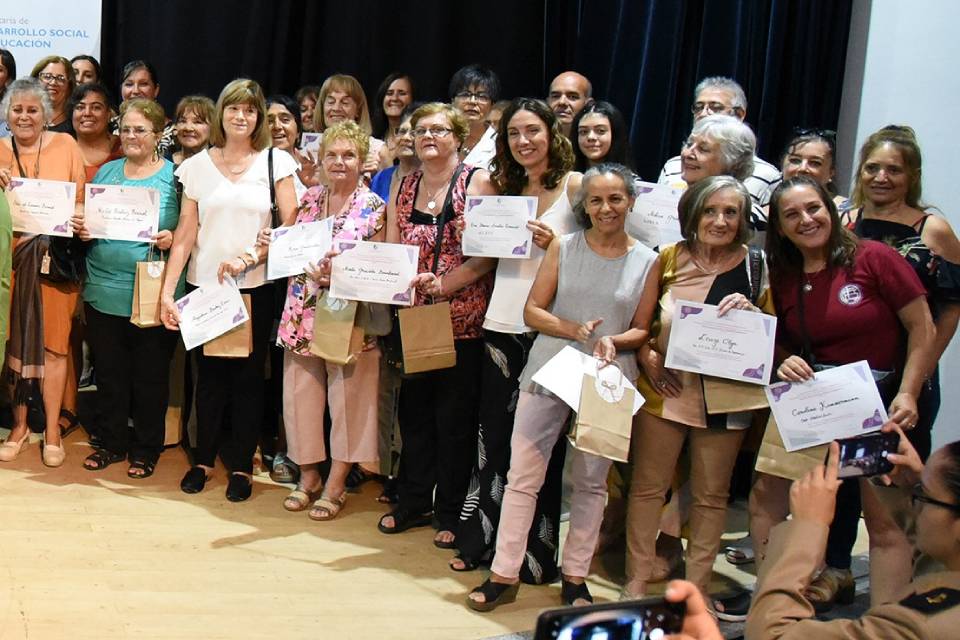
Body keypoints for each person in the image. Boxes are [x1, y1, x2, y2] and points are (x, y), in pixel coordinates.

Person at [467, 163, 658, 611]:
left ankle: (575, 577)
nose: (606, 207)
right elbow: (533, 311)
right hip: (550, 367)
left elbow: (642, 329)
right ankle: (504, 572)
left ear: (630, 201)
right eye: (596, 200)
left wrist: (613, 339)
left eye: (615, 199)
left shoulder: (648, 259)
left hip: (608, 378)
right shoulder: (564, 247)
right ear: (584, 205)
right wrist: (572, 329)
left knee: (592, 484)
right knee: (523, 477)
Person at [747, 175, 936, 610]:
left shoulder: (875, 258)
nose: (805, 220)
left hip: (870, 407)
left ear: (830, 209)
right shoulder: (780, 272)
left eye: (812, 208)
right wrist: (780, 358)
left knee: (884, 518)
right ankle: (775, 601)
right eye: (791, 214)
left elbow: (921, 326)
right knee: (766, 499)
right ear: (778, 226)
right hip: (807, 403)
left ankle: (888, 622)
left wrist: (908, 393)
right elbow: (769, 332)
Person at [805, 125, 960, 608]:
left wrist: (922, 370)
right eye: (873, 167)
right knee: (840, 479)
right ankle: (836, 571)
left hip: (905, 382)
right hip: (845, 379)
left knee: (890, 484)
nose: (881, 176)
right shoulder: (842, 221)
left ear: (911, 175)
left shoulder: (929, 229)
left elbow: (952, 304)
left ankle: (901, 589)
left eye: (893, 169)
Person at [623, 176, 774, 618]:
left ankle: (698, 589)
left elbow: (771, 337)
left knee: (712, 497)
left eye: (731, 212)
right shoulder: (668, 257)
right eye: (710, 210)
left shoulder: (757, 266)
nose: (720, 221)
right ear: (692, 214)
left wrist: (754, 313)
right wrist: (650, 358)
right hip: (665, 393)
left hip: (726, 400)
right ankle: (636, 577)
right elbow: (642, 325)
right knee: (648, 488)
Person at [452, 98, 582, 580]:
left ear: (551, 133)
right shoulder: (504, 190)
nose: (523, 141)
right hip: (501, 323)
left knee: (540, 446)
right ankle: (483, 539)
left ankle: (535, 553)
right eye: (513, 134)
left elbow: (601, 253)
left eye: (532, 131)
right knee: (494, 440)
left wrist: (561, 247)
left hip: (550, 330)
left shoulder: (577, 186)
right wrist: (475, 234)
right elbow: (484, 259)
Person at [159, 79, 298, 501]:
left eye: (250, 110)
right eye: (234, 109)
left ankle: (241, 464)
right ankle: (203, 459)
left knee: (249, 380)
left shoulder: (276, 162)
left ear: (259, 118)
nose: (242, 116)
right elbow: (185, 233)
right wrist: (168, 291)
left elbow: (290, 222)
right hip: (207, 288)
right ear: (222, 113)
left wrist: (251, 257)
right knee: (208, 379)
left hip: (255, 286)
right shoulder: (197, 165)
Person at [378, 102, 497, 542]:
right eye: (421, 129)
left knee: (454, 420)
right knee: (414, 416)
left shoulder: (476, 180)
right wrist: (396, 281)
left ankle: (448, 512)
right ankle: (411, 502)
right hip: (415, 318)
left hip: (463, 319)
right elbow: (393, 246)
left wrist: (445, 285)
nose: (428, 136)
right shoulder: (405, 184)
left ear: (459, 136)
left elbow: (488, 253)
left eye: (440, 130)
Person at [744, 430, 960, 639]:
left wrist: (805, 529)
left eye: (924, 493)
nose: (916, 498)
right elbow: (938, 561)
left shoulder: (915, 624)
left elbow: (769, 634)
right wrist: (907, 487)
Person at [275, 121, 385, 520]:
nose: (339, 162)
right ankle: (309, 477)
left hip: (349, 315)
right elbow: (285, 242)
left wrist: (341, 272)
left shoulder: (375, 208)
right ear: (319, 161)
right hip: (301, 310)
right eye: (332, 155)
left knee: (349, 402)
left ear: (362, 161)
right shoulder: (308, 199)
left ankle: (337, 480)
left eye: (348, 155)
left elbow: (381, 268)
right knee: (300, 397)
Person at [79, 98, 182, 478]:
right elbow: (90, 222)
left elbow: (191, 231)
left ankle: (146, 448)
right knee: (109, 372)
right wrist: (85, 229)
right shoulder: (106, 173)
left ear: (158, 134)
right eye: (126, 128)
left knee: (150, 374)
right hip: (102, 289)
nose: (132, 136)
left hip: (151, 291)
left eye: (141, 129)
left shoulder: (174, 178)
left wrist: (173, 236)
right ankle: (112, 443)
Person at [0, 78, 86, 467]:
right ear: (6, 115)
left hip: (55, 264)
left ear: (47, 114)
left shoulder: (66, 145)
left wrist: (79, 218)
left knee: (55, 346)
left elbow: (81, 200)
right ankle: (20, 426)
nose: (25, 116)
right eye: (17, 109)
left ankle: (51, 429)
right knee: (13, 346)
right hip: (11, 263)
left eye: (33, 109)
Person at [658, 77, 780, 207]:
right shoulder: (672, 166)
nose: (704, 113)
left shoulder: (767, 175)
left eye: (715, 107)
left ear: (739, 114)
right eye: (699, 107)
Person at [313, 74, 382, 182]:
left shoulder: (378, 150)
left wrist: (378, 175)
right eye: (331, 102)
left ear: (358, 110)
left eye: (345, 103)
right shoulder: (311, 146)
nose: (336, 108)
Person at [115, 61, 175, 155]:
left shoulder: (174, 133)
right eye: (129, 84)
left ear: (156, 90)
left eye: (143, 84)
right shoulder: (109, 127)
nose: (135, 91)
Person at [267, 94, 314, 202]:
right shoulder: (254, 167)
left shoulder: (313, 166)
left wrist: (313, 187)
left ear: (298, 131)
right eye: (270, 121)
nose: (277, 126)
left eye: (285, 119)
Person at [370, 103, 421, 202]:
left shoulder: (431, 179)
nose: (406, 137)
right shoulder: (381, 177)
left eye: (414, 133)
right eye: (402, 131)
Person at [448, 65, 500, 161]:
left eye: (482, 96)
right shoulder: (440, 137)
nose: (472, 101)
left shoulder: (499, 144)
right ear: (452, 100)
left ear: (492, 104)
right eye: (465, 94)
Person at [71, 83, 121, 181]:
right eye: (80, 107)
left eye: (96, 107)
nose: (87, 113)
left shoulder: (123, 149)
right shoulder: (61, 151)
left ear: (108, 114)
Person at [571, 100, 633, 171]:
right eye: (584, 131)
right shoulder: (567, 179)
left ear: (615, 134)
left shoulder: (630, 181)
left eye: (600, 131)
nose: (591, 137)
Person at [372, 72, 414, 168]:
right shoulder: (373, 139)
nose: (394, 98)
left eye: (402, 93)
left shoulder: (418, 139)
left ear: (413, 98)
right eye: (389, 93)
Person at [31, 55, 75, 135]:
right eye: (47, 77)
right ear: (35, 81)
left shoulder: (76, 124)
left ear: (69, 86)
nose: (53, 83)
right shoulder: (23, 117)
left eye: (60, 78)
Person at [546, 71, 592, 138]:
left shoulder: (594, 143)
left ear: (588, 104)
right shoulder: (536, 143)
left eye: (572, 97)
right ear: (547, 101)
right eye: (556, 96)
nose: (562, 102)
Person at [171, 95, 215, 166]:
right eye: (182, 121)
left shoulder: (221, 166)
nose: (188, 128)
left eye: (197, 122)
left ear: (213, 127)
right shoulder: (162, 163)